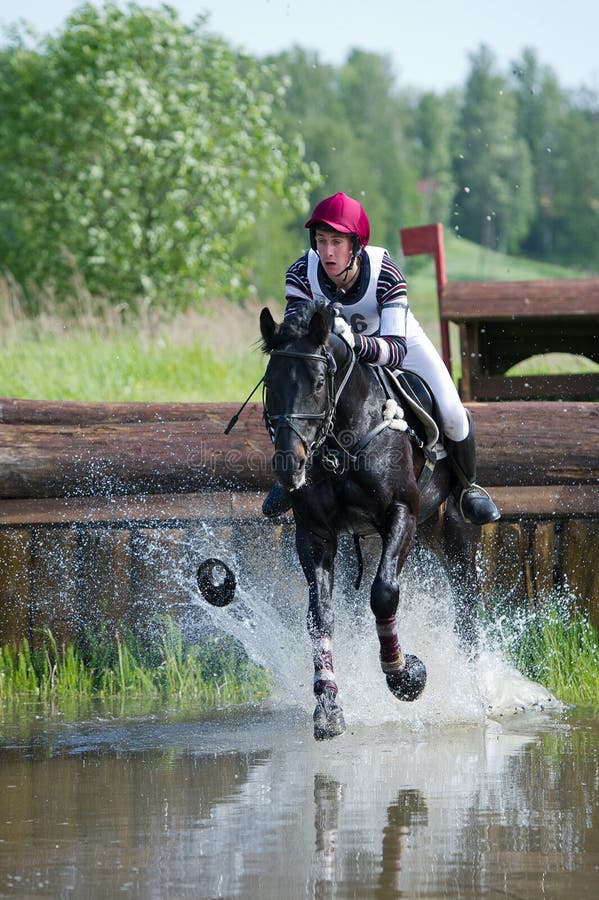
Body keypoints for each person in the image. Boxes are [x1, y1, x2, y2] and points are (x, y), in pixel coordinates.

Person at [262, 191, 500, 526]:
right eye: (321, 241)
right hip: (335, 353)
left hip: (397, 342)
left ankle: (467, 489)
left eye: (336, 242)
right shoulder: (301, 273)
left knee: (452, 412)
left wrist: (353, 341)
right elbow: (298, 340)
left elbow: (395, 350)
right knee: (296, 394)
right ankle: (292, 475)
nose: (327, 252)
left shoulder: (385, 272)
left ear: (356, 245)